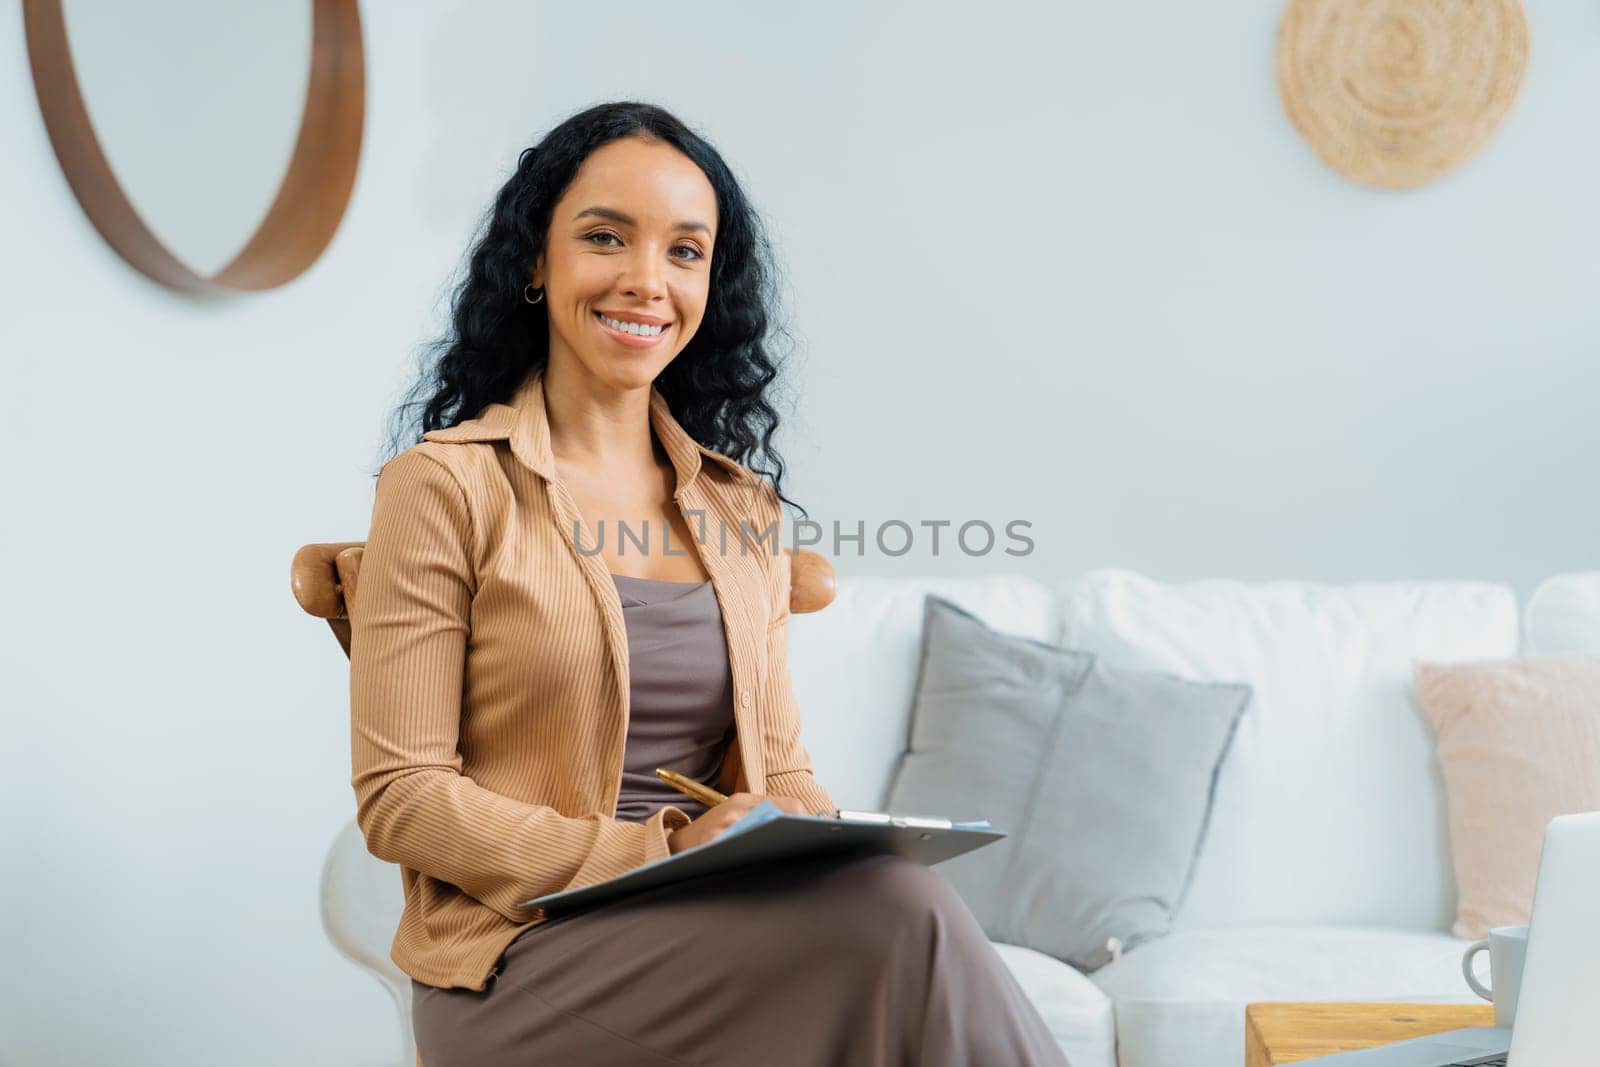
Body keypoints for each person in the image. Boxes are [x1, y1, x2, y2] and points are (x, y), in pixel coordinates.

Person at [351, 99, 1070, 1066]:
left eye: (685, 252)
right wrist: (664, 852)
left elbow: (781, 768)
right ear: (536, 260)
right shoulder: (445, 486)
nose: (647, 280)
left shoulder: (740, 511)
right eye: (606, 237)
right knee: (905, 921)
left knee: (895, 897)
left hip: (714, 925)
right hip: (522, 961)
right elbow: (402, 798)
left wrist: (814, 832)